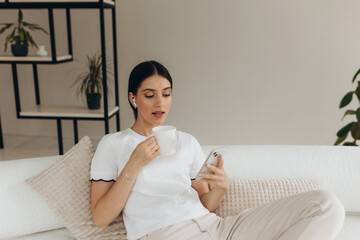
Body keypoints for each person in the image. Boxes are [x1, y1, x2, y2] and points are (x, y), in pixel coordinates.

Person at [90, 60, 345, 240]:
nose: (161, 103)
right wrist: (133, 165)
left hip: (219, 229)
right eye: (150, 95)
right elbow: (101, 218)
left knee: (326, 204)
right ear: (133, 98)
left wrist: (221, 188)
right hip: (164, 233)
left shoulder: (187, 142)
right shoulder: (113, 145)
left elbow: (205, 204)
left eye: (166, 94)